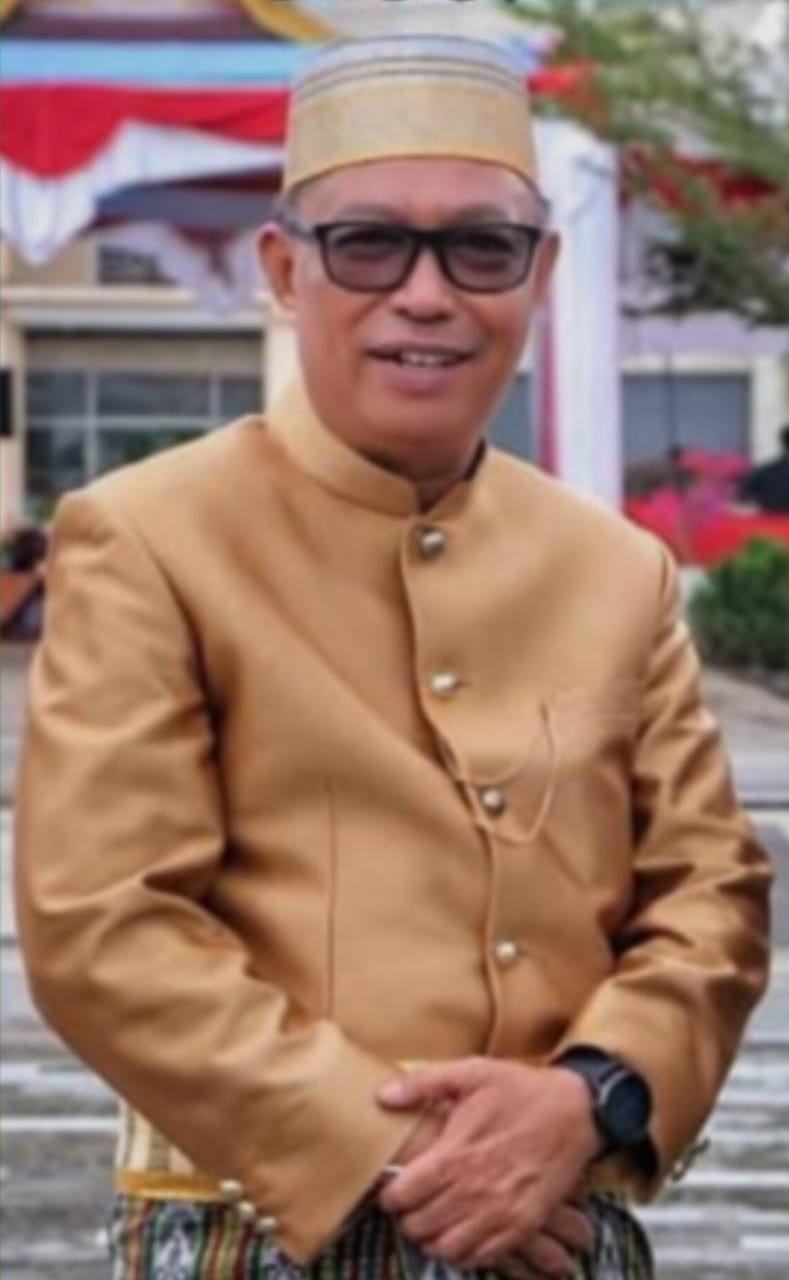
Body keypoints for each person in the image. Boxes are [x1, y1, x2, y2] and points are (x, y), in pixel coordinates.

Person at [15, 35, 771, 1280]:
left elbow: (710, 893)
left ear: (540, 272)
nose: (426, 294)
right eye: (368, 244)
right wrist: (414, 1150)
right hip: (250, 1224)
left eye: (482, 248)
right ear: (283, 268)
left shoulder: (613, 567)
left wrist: (591, 1092)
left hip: (557, 1224)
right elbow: (104, 922)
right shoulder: (150, 535)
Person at [739, 424, 789, 513]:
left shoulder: (764, 472)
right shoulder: (764, 473)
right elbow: (741, 496)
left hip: (768, 519)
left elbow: (741, 497)